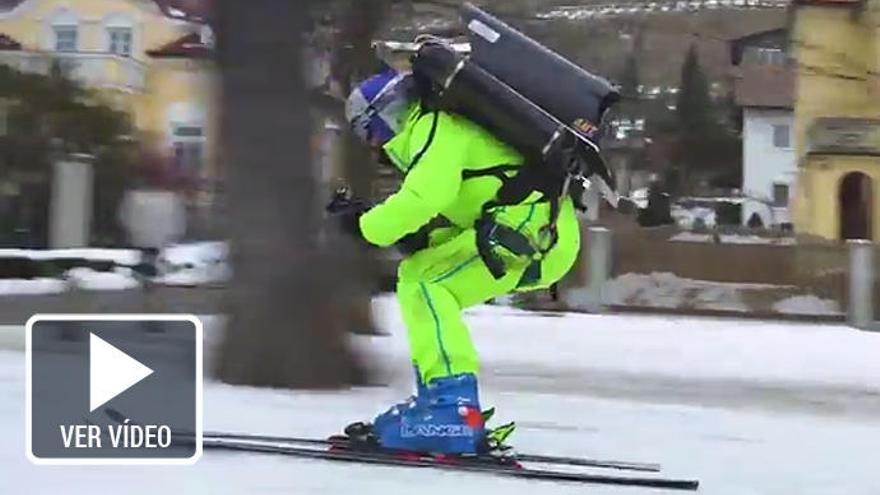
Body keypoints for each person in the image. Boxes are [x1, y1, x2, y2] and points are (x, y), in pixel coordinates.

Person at [329, 67, 582, 455]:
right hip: (521, 226)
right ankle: (436, 401)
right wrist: (410, 234)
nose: (374, 144)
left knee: (432, 286)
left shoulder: (434, 130)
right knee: (417, 274)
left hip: (534, 232)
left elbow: (423, 200)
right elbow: (459, 203)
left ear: (384, 117)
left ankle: (453, 411)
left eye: (370, 132)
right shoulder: (437, 131)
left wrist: (365, 226)